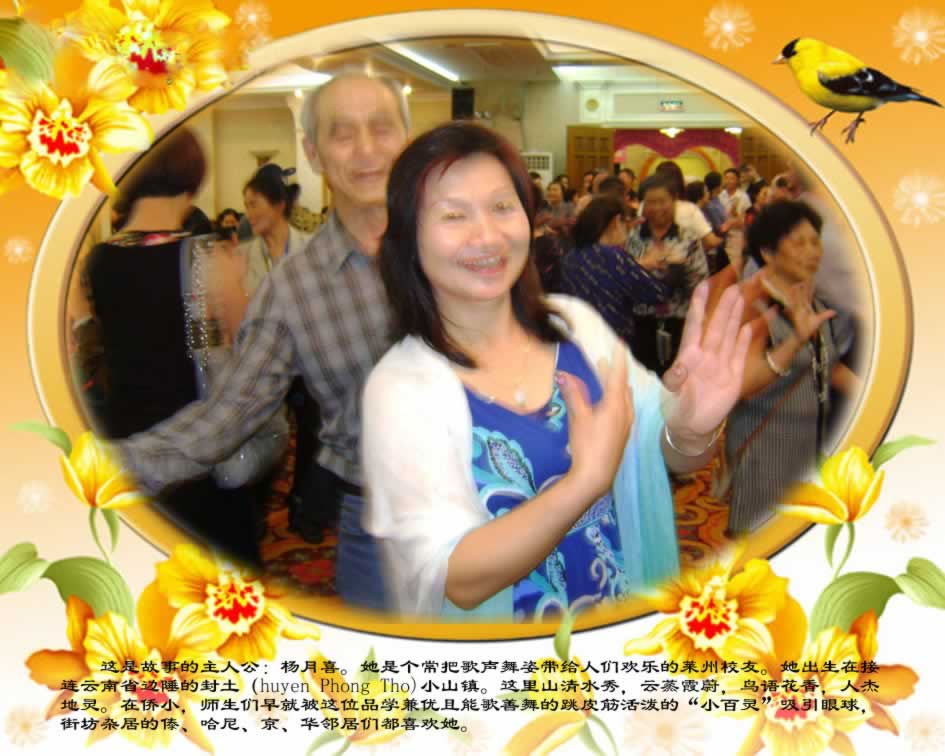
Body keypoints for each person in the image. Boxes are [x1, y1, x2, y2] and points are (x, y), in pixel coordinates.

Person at [362, 121, 752, 619]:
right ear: (409, 238)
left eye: (503, 207)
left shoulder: (576, 325)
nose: (487, 235)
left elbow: (668, 453)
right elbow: (452, 577)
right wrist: (584, 482)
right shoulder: (400, 387)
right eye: (454, 215)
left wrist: (693, 425)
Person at [113, 69, 412, 611]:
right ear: (313, 153)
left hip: (505, 501)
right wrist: (98, 469)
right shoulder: (290, 288)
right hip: (380, 526)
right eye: (343, 133)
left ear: (406, 139)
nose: (366, 149)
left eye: (381, 127)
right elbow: (227, 413)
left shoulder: (462, 239)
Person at [83, 129, 267, 565]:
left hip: (126, 433)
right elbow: (241, 351)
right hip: (194, 442)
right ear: (191, 178)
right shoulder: (205, 258)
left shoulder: (97, 259)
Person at [724, 200, 858, 535]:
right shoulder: (751, 307)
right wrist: (795, 340)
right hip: (764, 454)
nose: (812, 252)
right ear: (768, 253)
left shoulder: (815, 305)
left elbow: (828, 366)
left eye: (815, 241)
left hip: (808, 449)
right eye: (798, 243)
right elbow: (741, 385)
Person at [626, 173, 709, 374]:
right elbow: (623, 280)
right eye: (650, 202)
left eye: (662, 201)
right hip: (640, 323)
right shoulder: (632, 237)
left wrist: (680, 269)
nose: (657, 208)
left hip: (678, 323)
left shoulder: (688, 238)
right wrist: (643, 266)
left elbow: (700, 284)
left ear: (674, 201)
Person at [561, 195, 671, 344]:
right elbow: (657, 293)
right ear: (616, 221)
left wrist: (639, 265)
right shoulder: (613, 256)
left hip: (578, 339)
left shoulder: (571, 256)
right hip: (612, 342)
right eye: (626, 222)